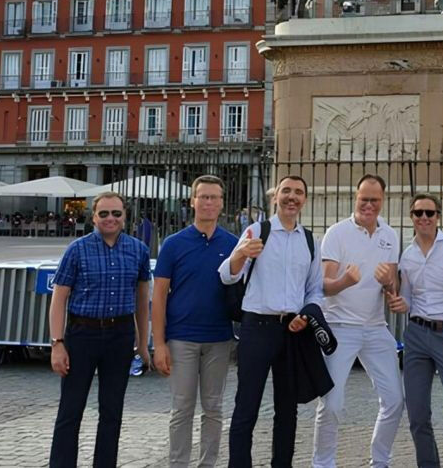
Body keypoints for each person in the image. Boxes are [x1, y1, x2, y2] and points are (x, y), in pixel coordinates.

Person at [219, 174, 321, 468]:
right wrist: (239, 255)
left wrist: (306, 313)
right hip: (257, 328)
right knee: (246, 407)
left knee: (287, 411)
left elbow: (315, 288)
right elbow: (227, 275)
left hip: (292, 330)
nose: (292, 197)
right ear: (276, 196)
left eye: (298, 192)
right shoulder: (257, 230)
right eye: (286, 191)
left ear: (304, 200)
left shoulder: (311, 240)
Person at [48, 191, 152, 468]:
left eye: (116, 213)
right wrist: (57, 343)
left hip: (120, 335)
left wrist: (143, 343)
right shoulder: (77, 249)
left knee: (112, 410)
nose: (110, 218)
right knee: (71, 409)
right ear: (93, 217)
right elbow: (59, 298)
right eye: (103, 213)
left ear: (125, 216)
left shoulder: (138, 250)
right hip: (82, 334)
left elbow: (142, 301)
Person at [312, 174, 404, 468]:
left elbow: (391, 286)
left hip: (377, 328)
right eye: (364, 199)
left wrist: (391, 288)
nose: (369, 205)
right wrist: (345, 281)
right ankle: (323, 463)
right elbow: (324, 285)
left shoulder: (390, 235)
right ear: (356, 198)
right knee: (332, 403)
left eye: (374, 200)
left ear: (383, 201)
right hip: (339, 327)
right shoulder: (337, 233)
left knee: (394, 400)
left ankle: (380, 461)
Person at [152, 175, 238, 468]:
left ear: (222, 204)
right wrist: (159, 342)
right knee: (182, 409)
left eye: (214, 197)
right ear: (192, 201)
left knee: (214, 408)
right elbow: (160, 295)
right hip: (181, 338)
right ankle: (178, 464)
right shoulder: (174, 244)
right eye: (203, 197)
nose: (209, 202)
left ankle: (207, 464)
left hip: (219, 338)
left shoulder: (234, 244)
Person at [388, 193, 443, 468]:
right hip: (416, 334)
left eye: (429, 213)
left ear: (438, 216)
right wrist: (399, 303)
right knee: (417, 415)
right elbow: (407, 300)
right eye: (418, 213)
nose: (424, 218)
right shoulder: (408, 254)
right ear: (412, 218)